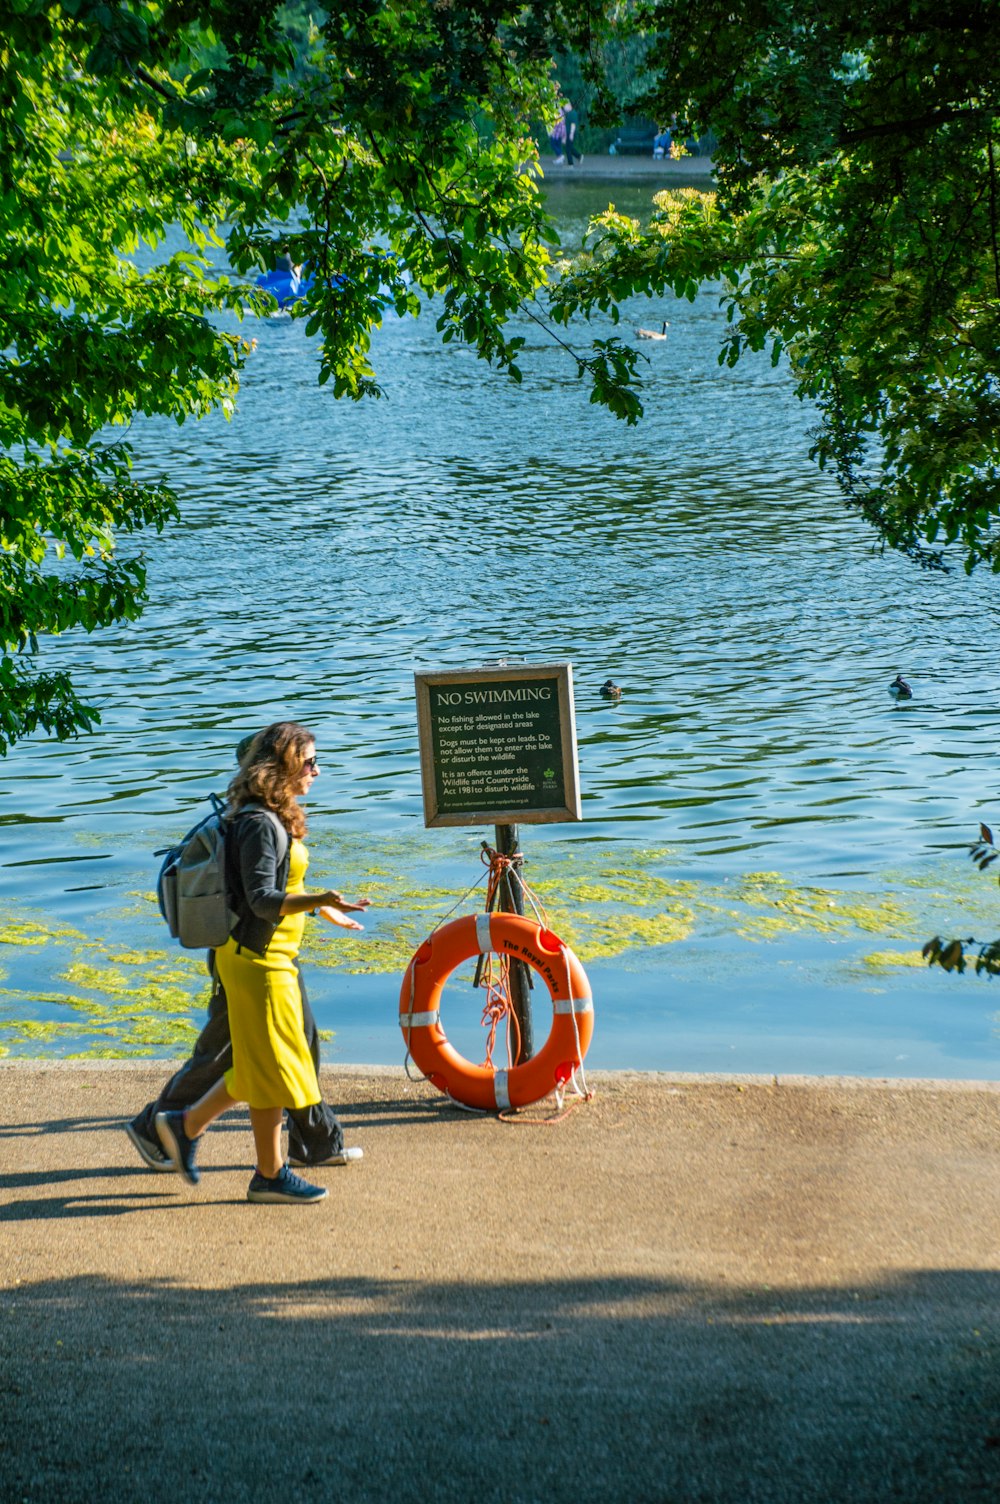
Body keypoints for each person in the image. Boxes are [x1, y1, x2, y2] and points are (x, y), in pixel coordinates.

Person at [155, 721, 371, 1203]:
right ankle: (265, 1174)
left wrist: (319, 906)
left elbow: (273, 889)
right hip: (258, 962)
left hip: (267, 958)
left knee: (260, 1068)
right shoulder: (257, 822)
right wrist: (319, 895)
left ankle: (187, 1128)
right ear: (285, 765)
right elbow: (261, 900)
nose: (318, 770)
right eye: (310, 761)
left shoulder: (268, 816)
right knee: (275, 1068)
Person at [563, 102, 581, 166]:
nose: (564, 108)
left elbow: (573, 124)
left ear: (569, 106)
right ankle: (578, 156)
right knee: (569, 147)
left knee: (568, 148)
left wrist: (571, 134)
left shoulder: (572, 113)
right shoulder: (568, 114)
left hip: (570, 133)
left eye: (565, 106)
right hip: (568, 133)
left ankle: (571, 163)